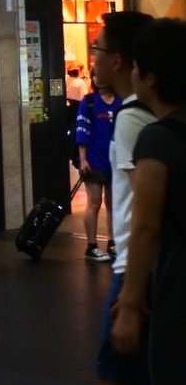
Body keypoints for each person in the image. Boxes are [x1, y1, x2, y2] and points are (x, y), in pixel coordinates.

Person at [26, 10, 153, 385]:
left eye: (97, 49)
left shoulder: (133, 116)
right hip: (142, 267)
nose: (91, 57)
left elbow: (142, 214)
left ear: (119, 60)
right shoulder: (148, 112)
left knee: (116, 382)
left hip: (140, 271)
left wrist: (131, 289)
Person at [111, 17, 186, 385]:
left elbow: (147, 226)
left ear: (150, 77)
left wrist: (130, 306)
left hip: (180, 297)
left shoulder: (158, 141)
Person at [75, 76, 121, 261]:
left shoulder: (121, 101)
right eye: (95, 75)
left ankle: (112, 243)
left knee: (113, 204)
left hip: (116, 161)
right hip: (94, 160)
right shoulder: (89, 102)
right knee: (94, 203)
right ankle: (91, 245)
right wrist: (83, 159)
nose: (97, 77)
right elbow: (82, 129)